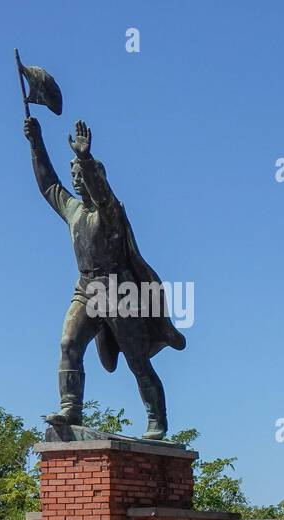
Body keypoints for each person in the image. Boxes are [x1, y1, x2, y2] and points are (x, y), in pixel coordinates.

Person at [24, 117, 185, 440]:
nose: (77, 179)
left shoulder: (109, 210)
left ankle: (157, 418)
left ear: (96, 177)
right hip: (86, 287)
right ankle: (71, 406)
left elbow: (103, 195)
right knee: (69, 342)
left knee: (137, 361)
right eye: (75, 175)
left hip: (118, 289)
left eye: (83, 174)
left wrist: (85, 157)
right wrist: (36, 142)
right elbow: (48, 185)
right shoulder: (72, 210)